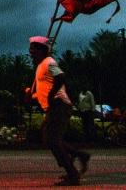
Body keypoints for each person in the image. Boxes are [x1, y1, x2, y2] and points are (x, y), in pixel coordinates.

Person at [25, 36, 90, 186]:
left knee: (53, 140)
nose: (30, 52)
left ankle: (73, 174)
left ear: (42, 50)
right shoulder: (41, 66)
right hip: (53, 107)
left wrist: (51, 95)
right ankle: (79, 155)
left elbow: (61, 77)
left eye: (33, 49)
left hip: (59, 105)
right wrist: (31, 94)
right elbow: (43, 89)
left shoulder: (49, 62)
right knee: (49, 138)